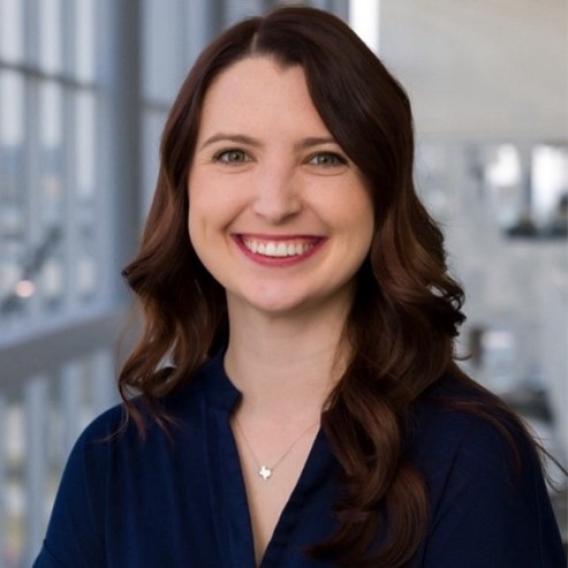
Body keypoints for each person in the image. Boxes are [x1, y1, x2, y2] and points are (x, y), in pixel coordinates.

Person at [34, 5, 566, 567]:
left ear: (381, 192)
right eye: (233, 155)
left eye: (324, 157)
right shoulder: (114, 458)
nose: (275, 203)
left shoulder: (471, 457)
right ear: (185, 187)